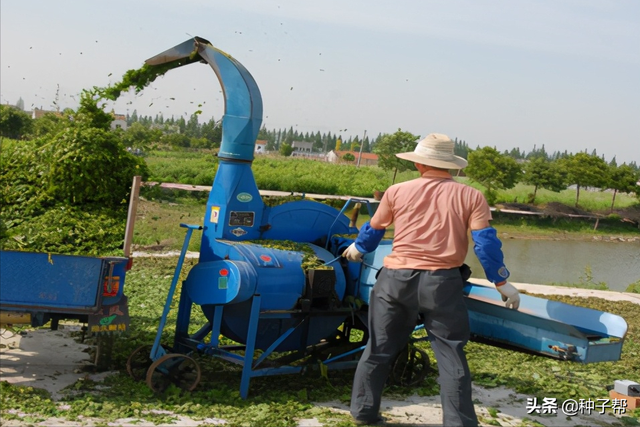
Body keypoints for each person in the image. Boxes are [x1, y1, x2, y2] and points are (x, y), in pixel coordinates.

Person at [342, 133, 520, 426]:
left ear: (419, 165)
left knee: (378, 350)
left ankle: (363, 412)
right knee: (450, 354)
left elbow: (375, 228)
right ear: (450, 166)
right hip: (442, 284)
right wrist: (502, 282)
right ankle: (458, 422)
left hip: (394, 283)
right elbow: (485, 244)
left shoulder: (397, 191)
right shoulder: (471, 196)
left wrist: (359, 247)